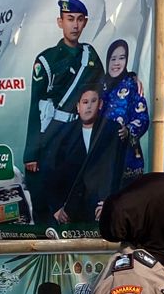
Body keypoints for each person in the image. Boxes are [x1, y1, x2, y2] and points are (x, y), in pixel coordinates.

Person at [25, 0, 103, 215]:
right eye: (70, 19)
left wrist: (131, 78)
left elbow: (104, 85)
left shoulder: (90, 55)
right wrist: (31, 153)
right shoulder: (47, 60)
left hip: (79, 130)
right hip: (54, 131)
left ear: (85, 22)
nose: (75, 25)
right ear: (60, 22)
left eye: (79, 20)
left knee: (79, 187)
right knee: (48, 189)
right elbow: (35, 105)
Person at [41, 87, 122, 223]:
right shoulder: (64, 133)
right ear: (78, 107)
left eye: (93, 101)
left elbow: (120, 169)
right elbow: (49, 171)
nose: (89, 106)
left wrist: (111, 202)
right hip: (70, 215)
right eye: (85, 102)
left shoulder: (113, 131)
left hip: (103, 213)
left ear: (100, 104)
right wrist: (56, 208)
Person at [98, 39, 149, 188]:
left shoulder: (132, 85)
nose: (117, 63)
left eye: (122, 58)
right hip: (101, 158)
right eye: (113, 59)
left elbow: (142, 118)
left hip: (127, 158)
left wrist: (128, 130)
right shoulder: (100, 85)